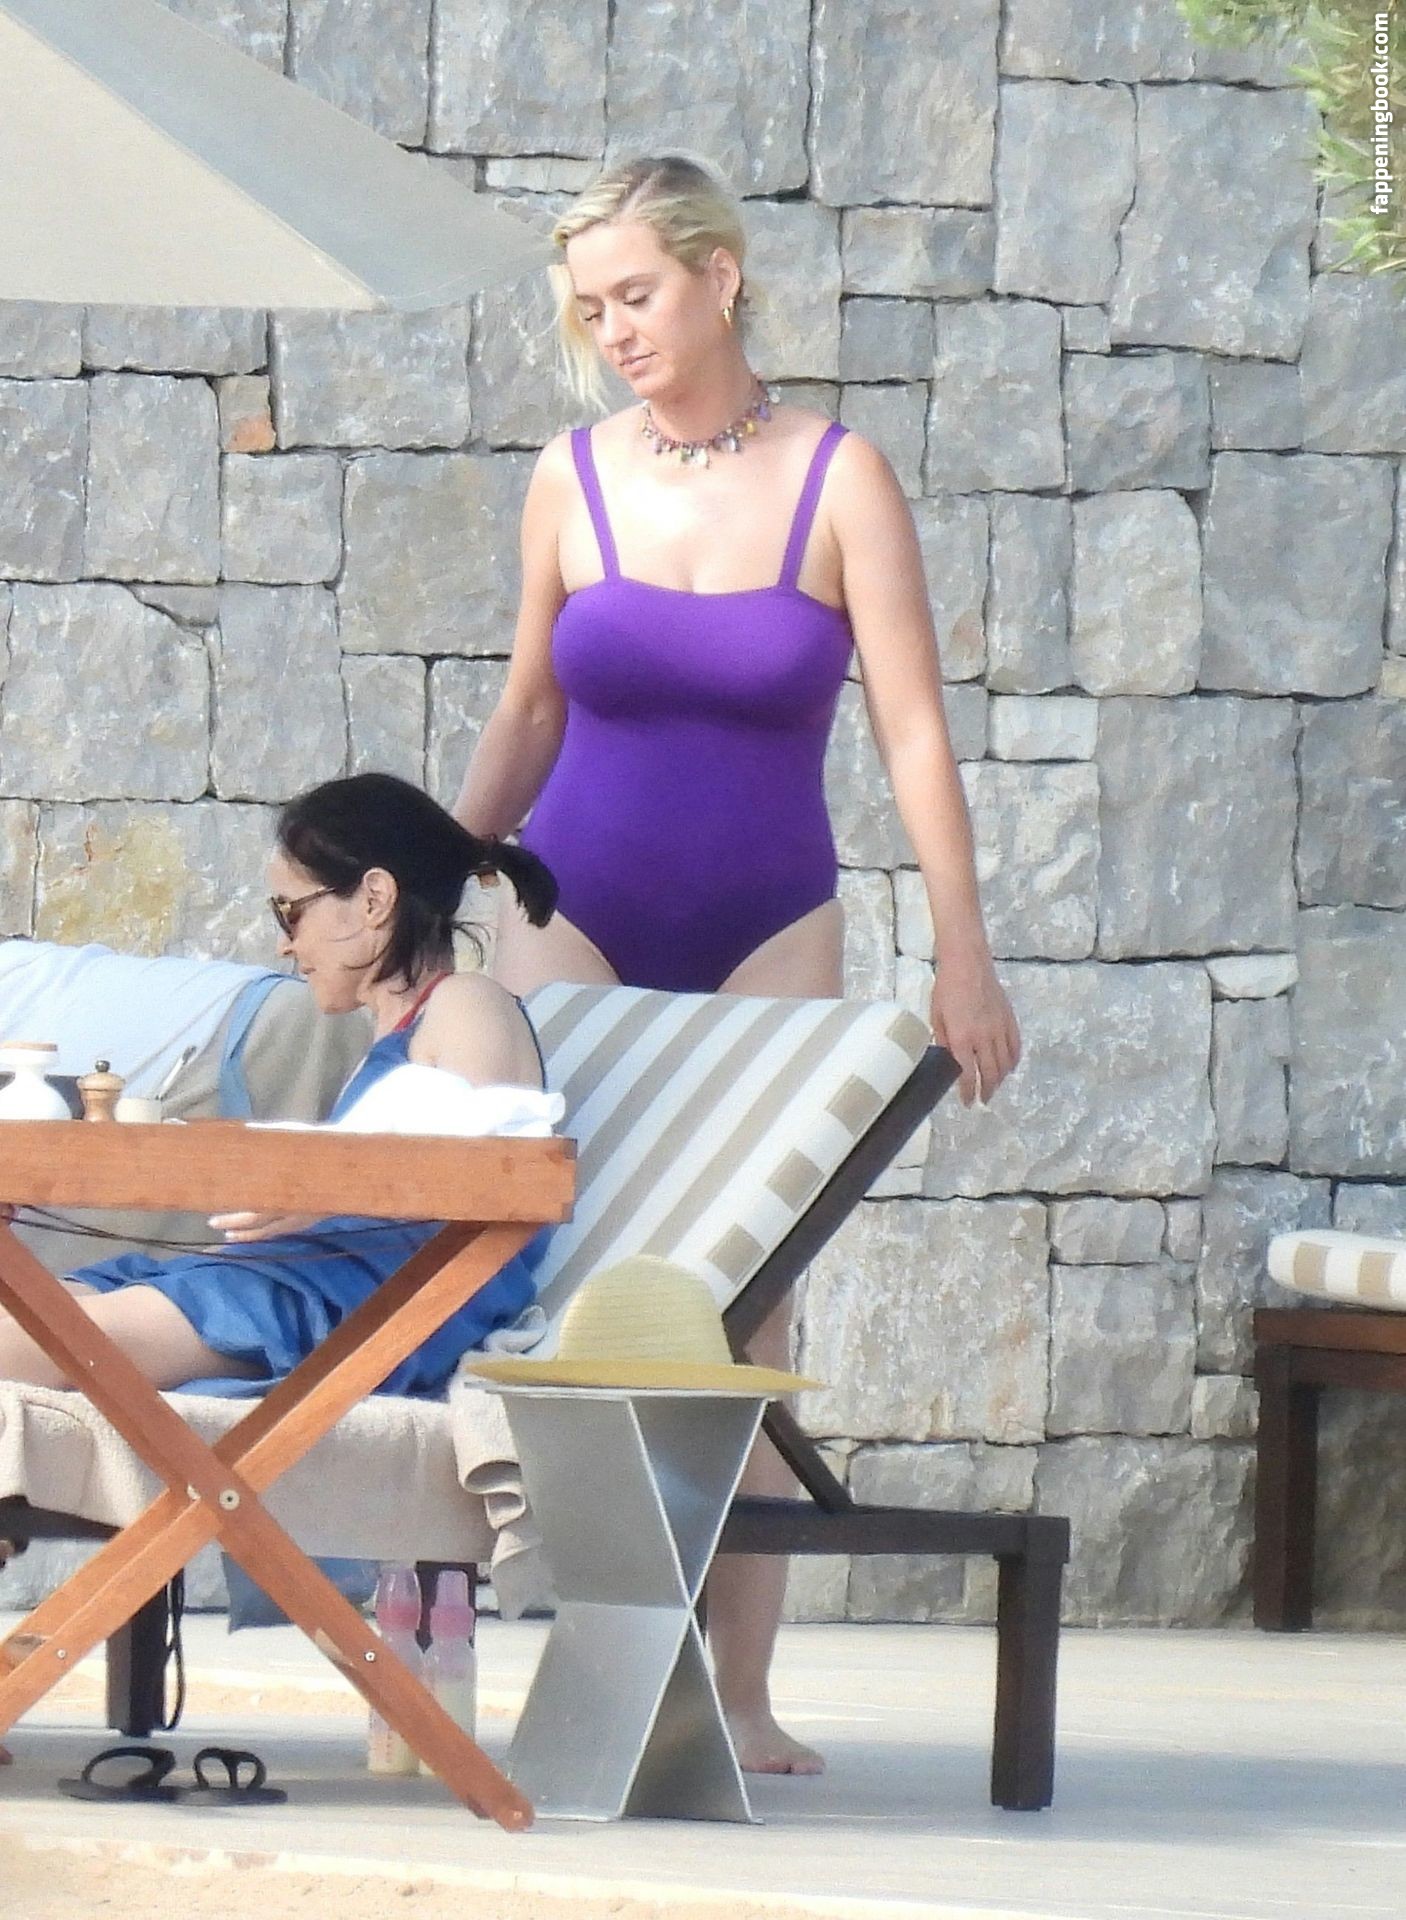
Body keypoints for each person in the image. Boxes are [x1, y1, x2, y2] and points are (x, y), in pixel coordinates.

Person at [452, 153, 1021, 1774]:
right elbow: (528, 709)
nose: (615, 330)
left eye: (635, 294)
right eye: (591, 309)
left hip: (770, 919)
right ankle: (586, 1651)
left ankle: (743, 1689)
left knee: (752, 1306)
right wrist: (424, 886)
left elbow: (912, 734)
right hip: (571, 903)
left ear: (720, 274)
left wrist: (964, 960)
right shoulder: (569, 478)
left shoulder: (840, 480)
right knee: (555, 1277)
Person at [0, 773, 558, 1401]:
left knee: (45, 1339)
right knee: (37, 1309)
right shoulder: (394, 1038)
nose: (284, 943)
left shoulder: (467, 1002)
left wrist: (330, 1185)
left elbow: (504, 1176)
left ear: (374, 899)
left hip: (351, 1311)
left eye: (290, 911)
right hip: (302, 1287)